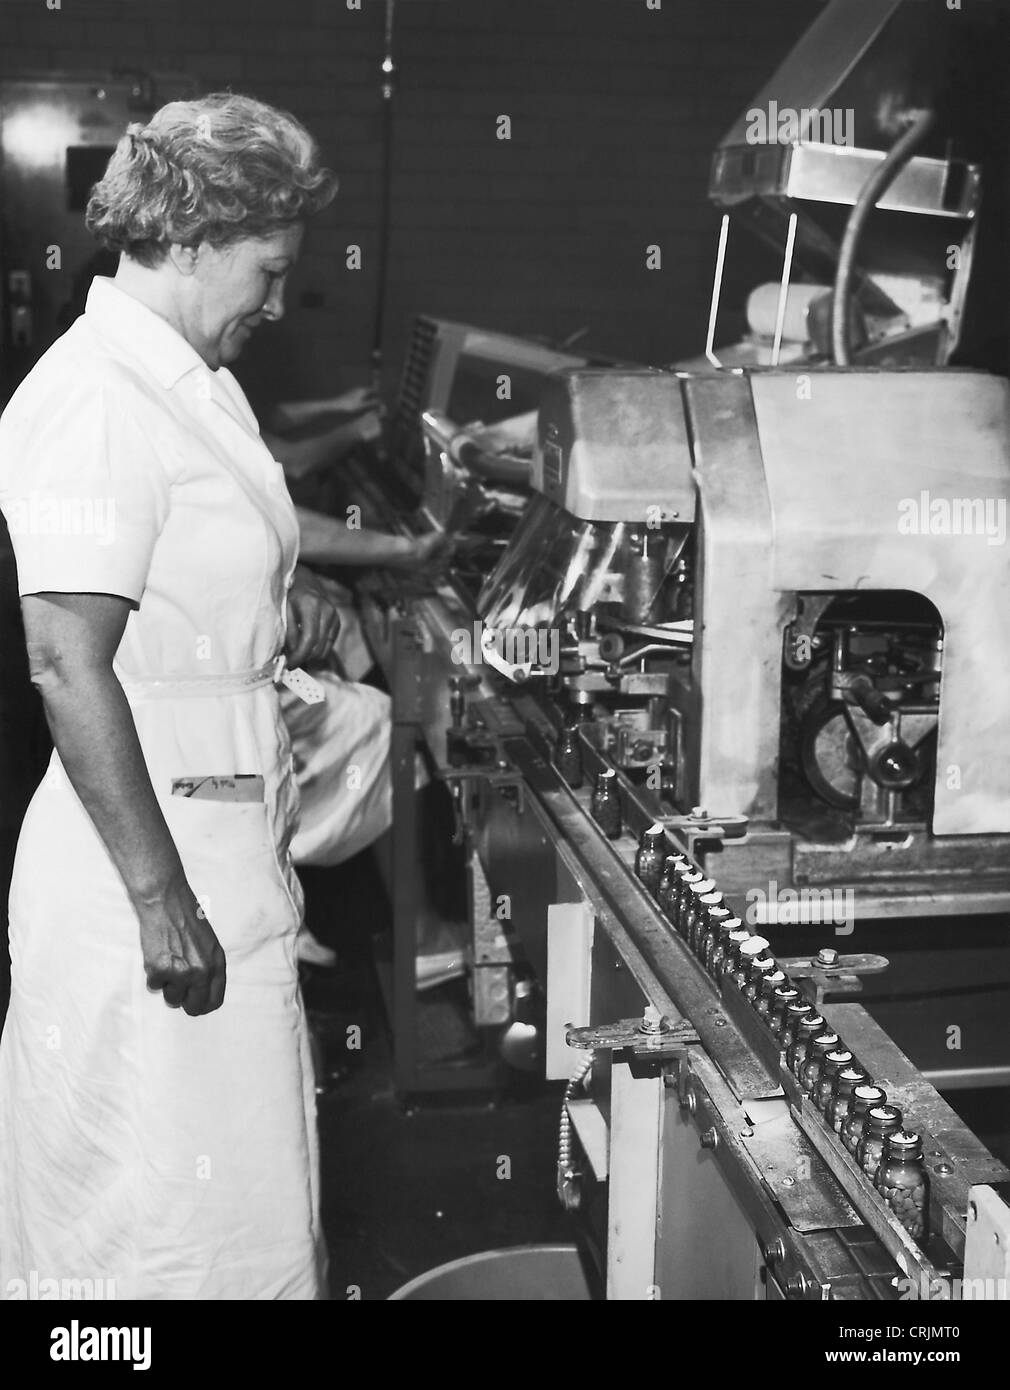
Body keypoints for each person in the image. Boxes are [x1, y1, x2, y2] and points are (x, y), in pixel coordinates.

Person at [0, 93, 342, 1299]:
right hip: (143, 868)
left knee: (231, 1213)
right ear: (195, 239)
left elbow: (173, 582)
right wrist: (160, 900)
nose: (280, 299)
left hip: (215, 834)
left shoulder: (183, 379)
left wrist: (265, 614)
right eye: (270, 267)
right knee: (149, 1237)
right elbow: (63, 656)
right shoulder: (95, 396)